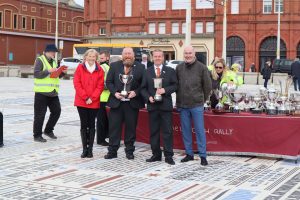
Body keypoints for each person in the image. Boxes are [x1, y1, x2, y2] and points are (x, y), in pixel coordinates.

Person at [104, 47, 145, 160]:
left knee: (131, 129)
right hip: (116, 103)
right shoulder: (114, 66)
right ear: (122, 55)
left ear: (133, 55)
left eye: (129, 53)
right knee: (114, 128)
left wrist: (135, 92)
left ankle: (129, 151)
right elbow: (109, 82)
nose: (127, 55)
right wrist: (115, 93)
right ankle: (112, 151)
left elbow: (144, 84)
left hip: (132, 104)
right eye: (125, 53)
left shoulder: (141, 67)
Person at [176, 46, 212, 166]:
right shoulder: (179, 67)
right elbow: (176, 85)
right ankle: (189, 154)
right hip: (183, 105)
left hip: (196, 105)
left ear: (194, 53)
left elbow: (207, 87)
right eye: (186, 53)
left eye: (190, 53)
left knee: (199, 131)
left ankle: (203, 155)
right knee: (186, 131)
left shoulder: (202, 68)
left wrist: (202, 99)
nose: (188, 55)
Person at [141, 49, 178, 165]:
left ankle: (168, 156)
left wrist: (165, 90)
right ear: (152, 58)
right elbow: (143, 88)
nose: (157, 58)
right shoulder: (147, 72)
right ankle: (156, 155)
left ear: (163, 58)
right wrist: (148, 98)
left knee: (167, 132)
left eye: (159, 56)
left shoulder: (170, 71)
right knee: (154, 132)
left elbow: (175, 85)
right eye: (155, 56)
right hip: (152, 106)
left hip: (165, 106)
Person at [73, 49, 104, 158]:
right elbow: (77, 83)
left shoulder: (100, 70)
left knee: (91, 125)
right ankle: (84, 149)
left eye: (93, 56)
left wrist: (92, 98)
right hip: (82, 101)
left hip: (94, 102)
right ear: (85, 57)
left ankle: (90, 149)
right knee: (83, 124)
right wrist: (86, 97)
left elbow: (100, 86)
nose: (91, 58)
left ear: (96, 58)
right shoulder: (80, 68)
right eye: (89, 56)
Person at [33, 44, 67, 142]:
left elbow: (56, 75)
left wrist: (62, 72)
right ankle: (37, 135)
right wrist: (48, 71)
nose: (54, 54)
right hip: (41, 93)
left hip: (53, 93)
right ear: (47, 51)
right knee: (40, 115)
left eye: (55, 52)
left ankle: (48, 130)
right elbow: (36, 74)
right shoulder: (40, 60)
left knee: (57, 111)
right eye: (53, 52)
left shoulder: (54, 61)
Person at [96, 51, 111, 146]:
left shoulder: (107, 67)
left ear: (107, 58)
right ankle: (100, 139)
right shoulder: (102, 67)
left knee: (103, 120)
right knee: (101, 120)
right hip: (102, 98)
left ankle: (102, 138)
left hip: (106, 97)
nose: (100, 60)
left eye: (102, 58)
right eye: (99, 58)